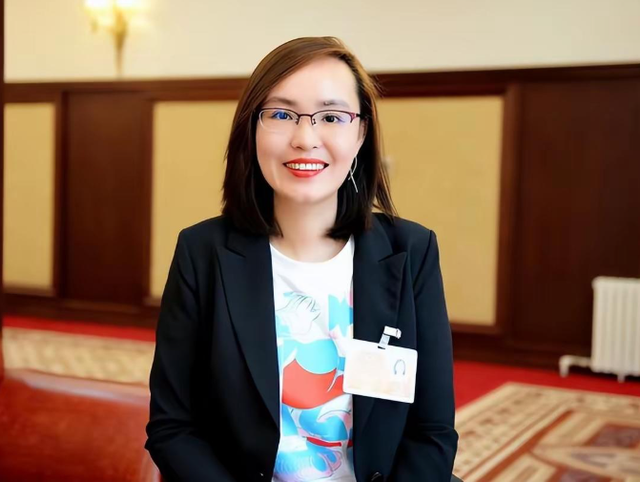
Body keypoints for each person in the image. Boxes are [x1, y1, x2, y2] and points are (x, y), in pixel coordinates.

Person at [145, 36, 458, 482]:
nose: (305, 138)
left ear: (361, 133)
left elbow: (431, 431)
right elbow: (173, 427)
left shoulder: (411, 251)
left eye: (331, 116)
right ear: (252, 129)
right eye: (280, 114)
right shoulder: (202, 252)